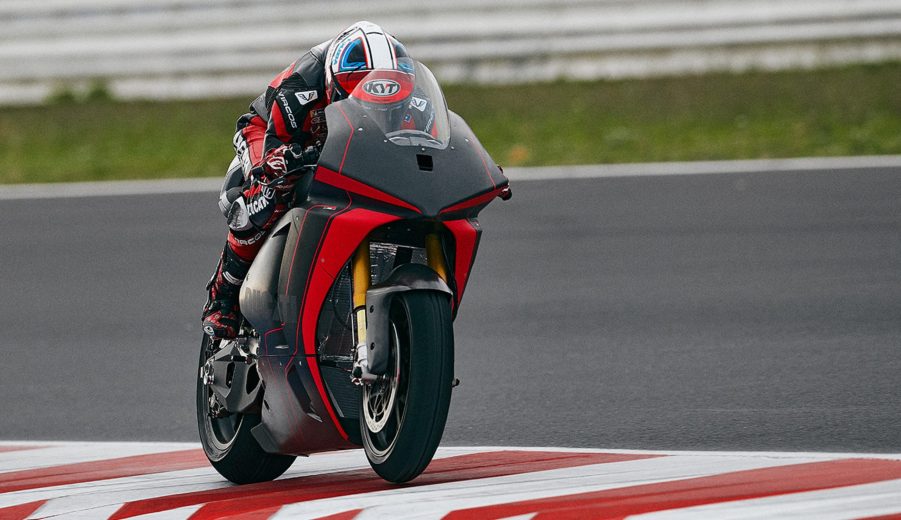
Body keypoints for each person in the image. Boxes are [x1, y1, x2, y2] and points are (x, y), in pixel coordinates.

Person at [202, 21, 413, 339]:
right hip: (268, 132)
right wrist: (287, 160)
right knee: (266, 197)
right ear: (333, 85)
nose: (371, 108)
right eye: (357, 97)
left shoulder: (406, 80)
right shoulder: (299, 88)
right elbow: (276, 152)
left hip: (347, 141)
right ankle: (222, 299)